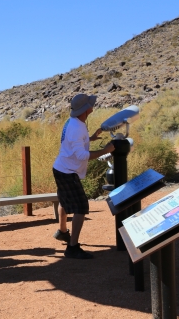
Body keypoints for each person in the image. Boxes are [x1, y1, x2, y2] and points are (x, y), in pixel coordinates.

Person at [52, 94, 115, 259]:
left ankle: (62, 232)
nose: (92, 106)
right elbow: (81, 155)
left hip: (60, 168)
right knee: (80, 207)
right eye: (90, 105)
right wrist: (105, 151)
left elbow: (74, 143)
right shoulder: (77, 127)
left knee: (65, 202)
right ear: (86, 109)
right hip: (68, 171)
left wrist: (91, 138)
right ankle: (72, 247)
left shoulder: (74, 122)